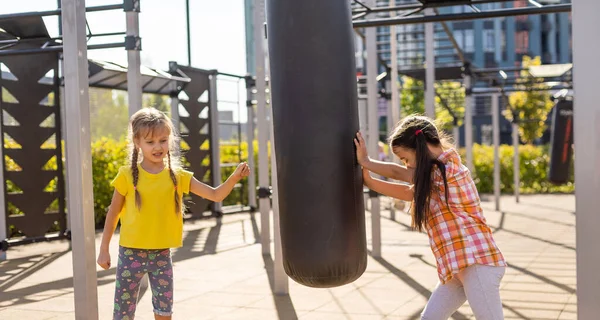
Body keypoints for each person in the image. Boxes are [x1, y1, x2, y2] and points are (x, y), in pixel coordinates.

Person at [96, 107, 250, 320]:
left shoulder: (178, 176)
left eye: (163, 140)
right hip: (130, 254)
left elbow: (215, 195)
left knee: (164, 313)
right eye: (150, 142)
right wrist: (104, 249)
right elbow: (113, 213)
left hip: (161, 255)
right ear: (137, 142)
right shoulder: (126, 176)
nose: (158, 147)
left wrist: (234, 178)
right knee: (122, 314)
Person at [354, 115, 506, 320]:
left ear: (422, 145)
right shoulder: (435, 177)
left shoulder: (448, 170)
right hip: (458, 267)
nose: (407, 165)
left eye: (406, 159)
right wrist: (370, 182)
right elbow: (409, 191)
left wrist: (365, 162)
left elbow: (399, 175)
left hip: (477, 263)